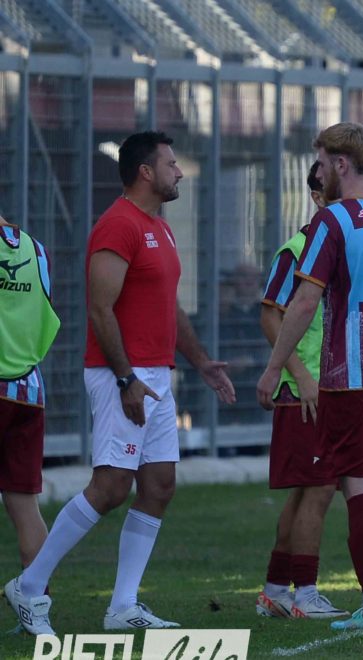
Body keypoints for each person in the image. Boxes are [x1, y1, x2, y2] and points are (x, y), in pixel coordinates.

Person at [6, 131, 236, 634]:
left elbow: (168, 306)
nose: (179, 171)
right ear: (145, 172)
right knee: (110, 487)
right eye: (171, 164)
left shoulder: (161, 228)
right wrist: (126, 377)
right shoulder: (118, 224)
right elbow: (99, 308)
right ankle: (29, 586)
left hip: (156, 375)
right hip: (121, 375)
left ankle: (123, 606)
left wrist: (200, 361)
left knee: (160, 485)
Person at [257, 122, 363, 629]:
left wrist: (274, 368)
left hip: (350, 377)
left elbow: (304, 301)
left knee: (358, 492)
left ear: (341, 164)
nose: (319, 171)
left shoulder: (333, 220)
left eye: (323, 162)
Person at [254, 160, 345, 620]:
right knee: (320, 489)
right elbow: (270, 315)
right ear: (316, 197)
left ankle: (275, 590)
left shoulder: (344, 243)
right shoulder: (297, 250)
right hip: (306, 388)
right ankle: (305, 593)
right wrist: (301, 376)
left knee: (311, 490)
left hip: (332, 387)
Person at [0, 214, 60, 614]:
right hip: (27, 389)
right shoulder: (36, 249)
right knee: (24, 502)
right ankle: (37, 604)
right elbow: (45, 317)